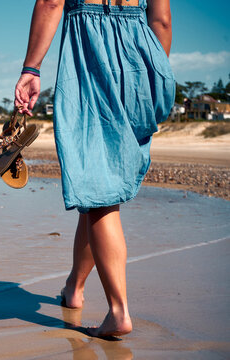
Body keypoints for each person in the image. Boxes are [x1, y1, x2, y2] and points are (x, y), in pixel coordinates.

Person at [14, 0, 175, 337]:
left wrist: (32, 68)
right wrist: (155, 75)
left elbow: (51, 2)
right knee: (95, 189)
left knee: (100, 194)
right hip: (139, 54)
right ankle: (74, 288)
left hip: (88, 54)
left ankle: (119, 312)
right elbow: (160, 19)